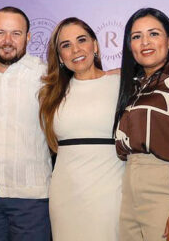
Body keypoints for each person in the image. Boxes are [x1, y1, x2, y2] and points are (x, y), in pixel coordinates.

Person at [0, 6, 52, 241]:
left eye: (16, 33)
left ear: (28, 37)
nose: (7, 40)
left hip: (30, 193)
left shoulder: (46, 74)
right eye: (0, 32)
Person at [39, 17, 124, 240]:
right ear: (59, 56)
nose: (75, 49)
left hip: (110, 192)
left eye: (81, 40)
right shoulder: (51, 94)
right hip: (64, 194)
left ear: (94, 45)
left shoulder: (121, 83)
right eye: (65, 45)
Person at [114, 8, 169, 241]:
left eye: (154, 34)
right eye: (136, 36)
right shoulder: (135, 87)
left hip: (167, 184)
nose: (145, 42)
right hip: (130, 184)